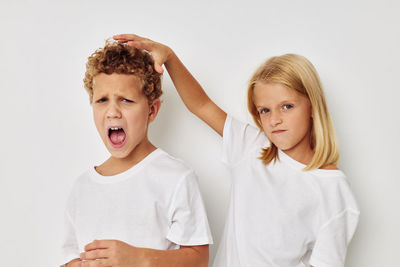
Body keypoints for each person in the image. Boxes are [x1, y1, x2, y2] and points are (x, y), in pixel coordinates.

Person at [113, 34, 360, 267]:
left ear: (312, 107)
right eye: (265, 110)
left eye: (286, 106)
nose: (274, 120)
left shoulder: (334, 190)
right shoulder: (252, 147)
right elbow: (200, 104)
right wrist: (170, 57)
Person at [60, 40, 213, 267]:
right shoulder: (82, 187)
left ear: (152, 110)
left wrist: (138, 258)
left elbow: (198, 259)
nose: (112, 112)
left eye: (126, 100)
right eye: (102, 100)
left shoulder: (176, 177)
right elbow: (68, 258)